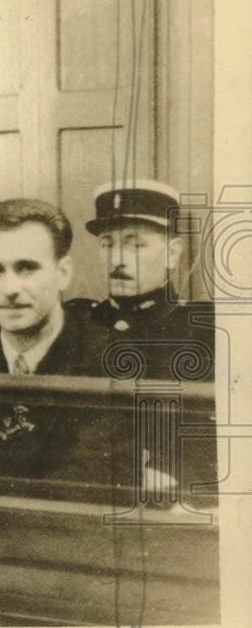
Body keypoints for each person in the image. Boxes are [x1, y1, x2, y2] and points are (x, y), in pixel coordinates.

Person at [0, 198, 121, 482]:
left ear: (63, 273)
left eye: (27, 268)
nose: (10, 289)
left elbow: (87, 477)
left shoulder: (110, 359)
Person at [78, 179, 216, 501]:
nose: (117, 260)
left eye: (135, 245)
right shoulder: (81, 325)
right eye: (108, 245)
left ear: (172, 253)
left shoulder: (206, 333)